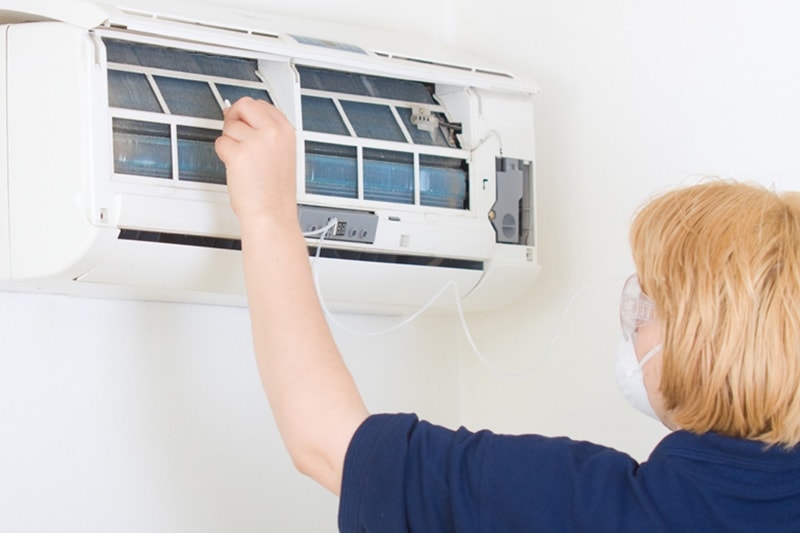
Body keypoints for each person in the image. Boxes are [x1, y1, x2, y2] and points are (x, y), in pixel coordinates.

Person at [215, 97, 800, 532]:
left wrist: (267, 211)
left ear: (704, 336)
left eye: (648, 304)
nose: (632, 322)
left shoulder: (604, 509)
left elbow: (328, 442)